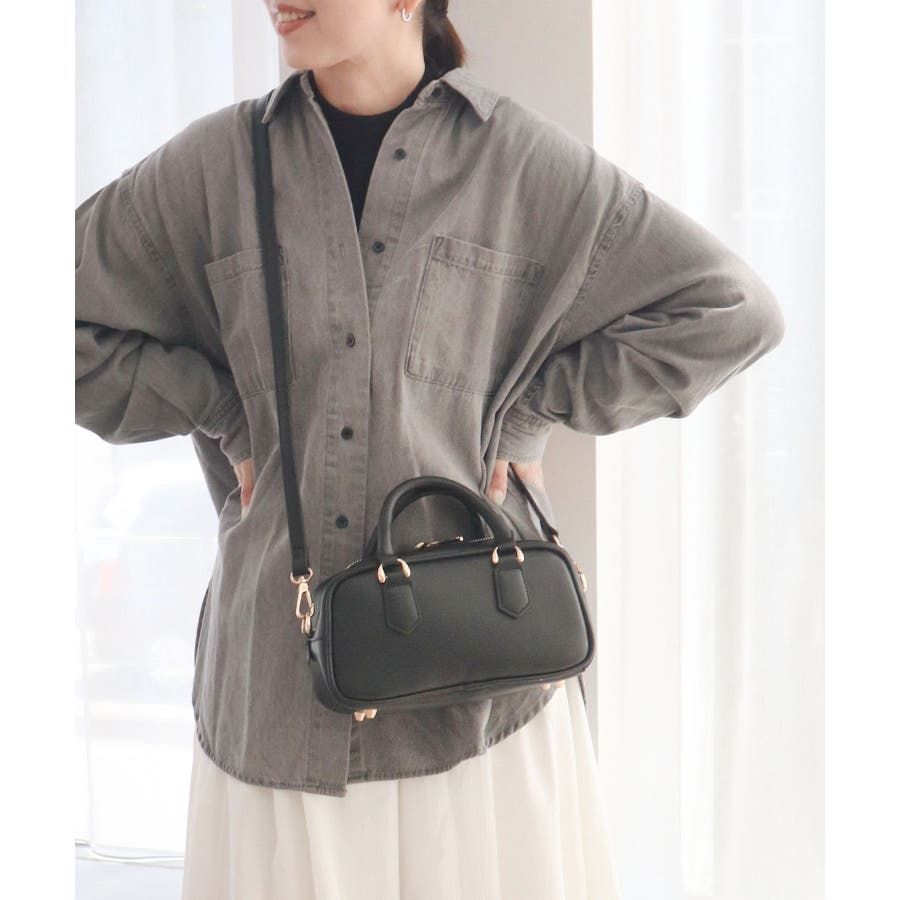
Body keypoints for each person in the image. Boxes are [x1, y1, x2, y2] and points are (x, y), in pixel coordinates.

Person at [75, 1, 786, 897]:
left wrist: (528, 413)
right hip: (277, 702)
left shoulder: (518, 163)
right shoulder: (215, 167)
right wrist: (221, 408)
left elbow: (730, 310)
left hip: (479, 708)